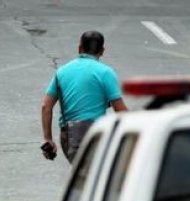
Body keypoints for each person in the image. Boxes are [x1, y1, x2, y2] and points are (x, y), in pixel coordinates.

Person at [41, 30, 128, 163]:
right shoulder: (106, 73)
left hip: (69, 136)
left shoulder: (62, 72)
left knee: (82, 175)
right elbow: (120, 111)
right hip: (96, 134)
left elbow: (46, 106)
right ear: (102, 51)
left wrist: (48, 139)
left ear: (80, 48)